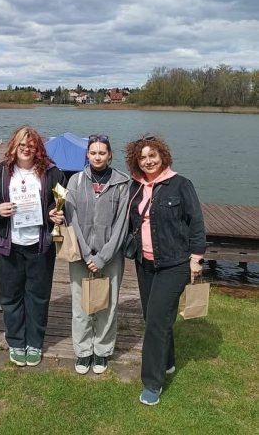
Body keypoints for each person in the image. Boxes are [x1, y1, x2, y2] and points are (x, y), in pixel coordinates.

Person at [125, 134, 206, 405]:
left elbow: (196, 222)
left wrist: (196, 258)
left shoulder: (181, 185)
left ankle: (152, 383)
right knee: (153, 317)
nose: (148, 161)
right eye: (142, 157)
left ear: (163, 156)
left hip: (174, 264)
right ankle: (168, 361)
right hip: (144, 263)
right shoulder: (135, 186)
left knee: (156, 322)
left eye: (152, 155)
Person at [0, 125, 67, 367]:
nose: (26, 149)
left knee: (38, 297)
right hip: (9, 245)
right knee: (11, 296)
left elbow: (62, 201)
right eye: (21, 145)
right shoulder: (1, 173)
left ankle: (34, 342)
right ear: (14, 147)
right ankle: (17, 341)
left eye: (31, 145)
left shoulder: (52, 173)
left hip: (40, 245)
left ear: (38, 148)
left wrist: (55, 212)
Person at [65, 134, 129, 375]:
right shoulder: (75, 181)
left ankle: (102, 350)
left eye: (102, 152)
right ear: (87, 155)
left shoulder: (122, 183)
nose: (97, 157)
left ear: (110, 155)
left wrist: (103, 257)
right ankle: (83, 351)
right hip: (80, 255)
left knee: (107, 305)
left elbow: (122, 223)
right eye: (93, 153)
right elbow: (70, 218)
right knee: (80, 305)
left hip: (110, 257)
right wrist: (85, 252)